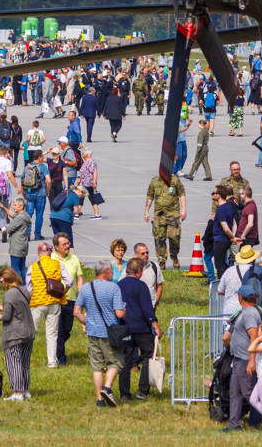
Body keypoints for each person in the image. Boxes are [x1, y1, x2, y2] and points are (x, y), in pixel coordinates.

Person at [73, 260, 126, 408]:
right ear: (106, 272)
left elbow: (76, 312)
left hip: (92, 332)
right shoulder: (114, 288)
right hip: (110, 332)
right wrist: (125, 308)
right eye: (111, 271)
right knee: (116, 361)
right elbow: (120, 314)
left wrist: (87, 322)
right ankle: (107, 388)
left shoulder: (85, 288)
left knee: (97, 367)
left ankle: (99, 400)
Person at [222, 285, 262, 432]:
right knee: (235, 393)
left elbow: (254, 336)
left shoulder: (249, 314)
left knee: (248, 393)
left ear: (240, 297)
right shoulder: (245, 312)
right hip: (238, 358)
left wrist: (252, 360)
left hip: (245, 359)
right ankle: (234, 424)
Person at [118, 257, 161, 400]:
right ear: (138, 272)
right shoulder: (141, 286)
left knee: (125, 360)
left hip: (124, 327)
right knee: (148, 356)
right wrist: (155, 325)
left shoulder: (119, 285)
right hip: (141, 328)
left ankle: (124, 393)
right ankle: (143, 390)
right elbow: (147, 308)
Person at [28, 241, 72, 368]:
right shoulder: (58, 264)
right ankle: (52, 362)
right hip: (54, 301)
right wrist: (62, 292)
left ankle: (25, 357)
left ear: (39, 253)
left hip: (38, 302)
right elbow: (69, 281)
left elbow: (29, 287)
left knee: (31, 331)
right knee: (52, 333)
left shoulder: (33, 266)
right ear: (50, 252)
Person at [0, 267, 35, 401]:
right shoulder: (23, 290)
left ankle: (17, 392)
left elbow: (7, 316)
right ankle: (25, 390)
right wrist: (4, 307)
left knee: (14, 362)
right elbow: (19, 307)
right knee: (24, 362)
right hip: (28, 330)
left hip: (15, 333)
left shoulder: (9, 294)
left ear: (5, 280)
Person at [51, 232, 83, 366]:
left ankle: (55, 347)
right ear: (56, 247)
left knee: (67, 329)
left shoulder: (74, 258)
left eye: (68, 243)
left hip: (71, 299)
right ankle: (60, 357)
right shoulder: (51, 259)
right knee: (58, 329)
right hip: (56, 300)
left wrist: (81, 296)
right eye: (64, 244)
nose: (67, 246)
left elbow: (79, 278)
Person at [143, 172, 186, 270]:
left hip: (173, 214)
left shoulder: (175, 180)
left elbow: (182, 194)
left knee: (174, 237)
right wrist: (146, 211)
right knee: (159, 239)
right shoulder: (154, 181)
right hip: (159, 215)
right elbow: (150, 196)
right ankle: (162, 261)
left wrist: (184, 210)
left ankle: (174, 256)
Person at [217, 244, 258, 314]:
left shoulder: (229, 270)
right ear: (253, 259)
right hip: (248, 310)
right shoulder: (255, 271)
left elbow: (220, 291)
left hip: (229, 309)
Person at [21, 149, 51, 240]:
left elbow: (22, 179)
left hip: (29, 193)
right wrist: (47, 191)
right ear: (39, 157)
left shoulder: (27, 166)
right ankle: (37, 234)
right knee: (39, 215)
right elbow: (48, 180)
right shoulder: (43, 167)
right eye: (42, 157)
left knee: (29, 214)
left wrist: (23, 192)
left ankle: (27, 234)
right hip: (40, 193)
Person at [211, 185, 239, 279]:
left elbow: (225, 228)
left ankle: (222, 283)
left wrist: (232, 237)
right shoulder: (229, 206)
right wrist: (233, 235)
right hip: (226, 240)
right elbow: (234, 223)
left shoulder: (222, 208)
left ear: (219, 195)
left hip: (220, 240)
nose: (212, 195)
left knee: (219, 264)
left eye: (214, 193)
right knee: (223, 263)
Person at [1, 197, 31, 281]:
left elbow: (9, 229)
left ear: (21, 207)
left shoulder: (19, 218)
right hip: (23, 245)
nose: (13, 207)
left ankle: (17, 284)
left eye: (15, 205)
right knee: (22, 268)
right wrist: (4, 208)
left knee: (15, 269)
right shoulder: (25, 216)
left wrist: (3, 228)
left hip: (16, 246)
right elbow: (13, 215)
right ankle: (25, 285)